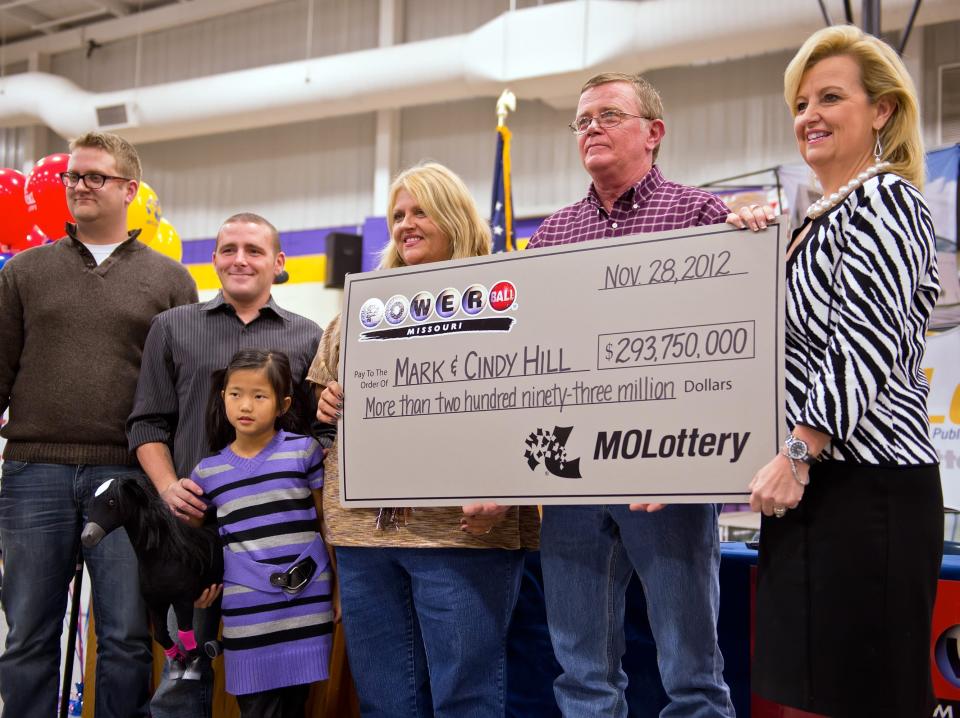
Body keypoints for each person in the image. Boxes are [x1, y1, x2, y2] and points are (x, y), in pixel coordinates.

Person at [735, 26, 943, 718]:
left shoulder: (888, 200)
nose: (809, 116)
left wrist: (798, 451)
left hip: (867, 492)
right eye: (800, 103)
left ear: (881, 110)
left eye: (830, 97)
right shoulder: (821, 218)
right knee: (804, 701)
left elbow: (866, 342)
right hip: (814, 490)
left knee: (857, 702)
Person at [526, 72, 736, 717]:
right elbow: (523, 362)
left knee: (691, 670)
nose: (592, 127)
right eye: (583, 119)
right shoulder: (550, 237)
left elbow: (738, 343)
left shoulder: (704, 216)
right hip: (571, 478)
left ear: (653, 133)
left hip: (667, 471)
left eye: (609, 115)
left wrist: (752, 229)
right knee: (581, 670)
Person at [312, 162, 540, 718]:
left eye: (420, 211)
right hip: (366, 535)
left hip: (459, 534)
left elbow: (538, 402)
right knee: (385, 701)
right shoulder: (360, 309)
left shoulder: (506, 299)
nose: (405, 224)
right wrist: (330, 402)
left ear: (454, 216)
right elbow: (325, 411)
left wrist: (507, 486)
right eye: (397, 215)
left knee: (466, 697)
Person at [0, 131, 198, 718]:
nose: (79, 186)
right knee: (28, 635)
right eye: (73, 177)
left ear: (129, 189)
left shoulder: (170, 281)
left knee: (126, 638)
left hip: (129, 479)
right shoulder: (23, 273)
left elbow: (179, 393)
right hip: (33, 472)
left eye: (95, 177)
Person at [127, 212, 328, 717]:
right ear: (213, 258)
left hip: (272, 544)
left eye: (254, 250)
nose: (240, 259)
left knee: (273, 684)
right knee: (183, 669)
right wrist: (171, 488)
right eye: (229, 248)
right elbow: (146, 424)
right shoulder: (171, 328)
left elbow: (322, 435)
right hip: (190, 535)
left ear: (279, 263)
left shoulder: (309, 338)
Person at [193, 348, 331, 718]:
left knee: (296, 707)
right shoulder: (208, 473)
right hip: (246, 613)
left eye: (259, 395)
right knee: (256, 709)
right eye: (235, 393)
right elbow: (195, 543)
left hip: (306, 605)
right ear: (222, 397)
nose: (245, 405)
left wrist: (339, 593)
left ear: (283, 404)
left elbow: (325, 523)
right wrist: (197, 586)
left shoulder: (305, 452)